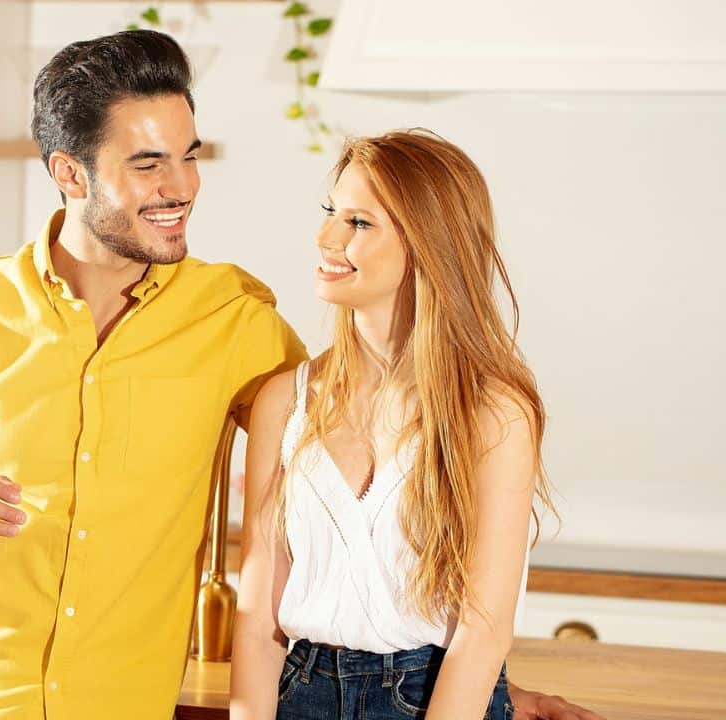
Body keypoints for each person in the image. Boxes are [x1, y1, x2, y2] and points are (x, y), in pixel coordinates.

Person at [0, 30, 601, 720]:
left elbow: (385, 447)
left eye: (190, 154)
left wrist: (466, 686)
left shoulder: (236, 322)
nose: (183, 187)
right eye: (148, 165)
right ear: (68, 173)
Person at [229, 129, 601, 720]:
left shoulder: (493, 412)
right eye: (331, 212)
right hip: (300, 696)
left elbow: (482, 634)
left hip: (432, 699)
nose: (326, 237)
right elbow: (256, 625)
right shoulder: (285, 401)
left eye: (359, 223)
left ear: (429, 242)